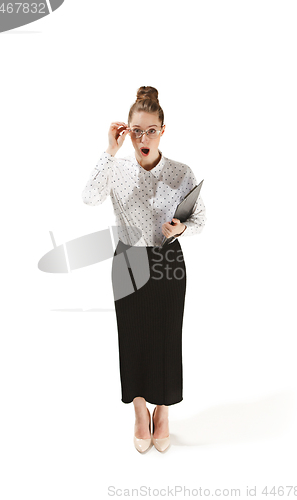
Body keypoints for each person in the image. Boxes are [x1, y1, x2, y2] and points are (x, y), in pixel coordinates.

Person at [82, 86, 206, 453]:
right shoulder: (116, 169)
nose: (143, 137)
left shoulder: (182, 172)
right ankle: (139, 410)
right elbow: (88, 197)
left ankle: (163, 410)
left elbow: (200, 219)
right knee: (132, 338)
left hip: (168, 260)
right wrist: (110, 150)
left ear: (162, 130)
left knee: (167, 337)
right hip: (129, 260)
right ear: (127, 131)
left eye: (151, 129)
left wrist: (182, 228)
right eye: (136, 130)